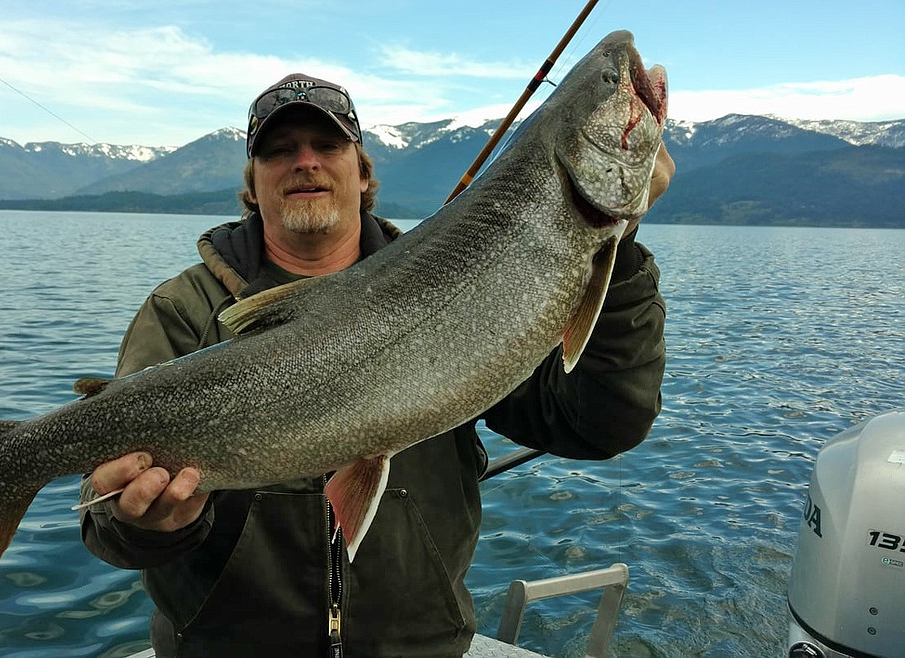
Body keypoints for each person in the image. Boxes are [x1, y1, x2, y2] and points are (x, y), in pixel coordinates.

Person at [79, 73, 673, 657]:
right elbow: (106, 522)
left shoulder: (465, 284)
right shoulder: (182, 310)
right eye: (279, 151)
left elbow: (599, 425)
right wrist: (149, 523)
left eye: (328, 145)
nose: (305, 162)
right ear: (252, 185)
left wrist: (614, 250)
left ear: (362, 172)